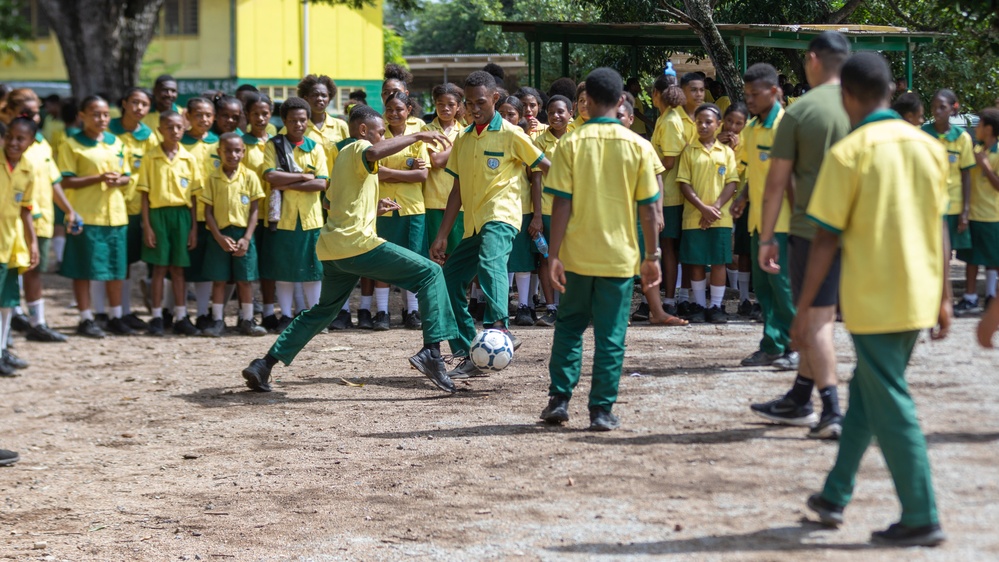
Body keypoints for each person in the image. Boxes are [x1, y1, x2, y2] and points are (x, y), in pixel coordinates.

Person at [800, 52, 950, 548]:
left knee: (890, 400)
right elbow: (940, 226)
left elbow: (825, 238)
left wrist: (803, 310)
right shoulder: (928, 146)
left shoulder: (851, 150)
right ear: (889, 90)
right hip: (919, 293)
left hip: (875, 298)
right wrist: (945, 296)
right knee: (869, 392)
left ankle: (922, 515)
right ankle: (833, 496)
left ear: (847, 96)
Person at [240, 105, 457, 393]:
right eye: (380, 132)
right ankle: (431, 352)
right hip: (356, 245)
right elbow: (373, 152)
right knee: (430, 273)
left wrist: (372, 208)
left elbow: (331, 202)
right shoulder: (358, 147)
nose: (382, 138)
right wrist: (417, 136)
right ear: (364, 130)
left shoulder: (344, 160)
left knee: (322, 311)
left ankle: (264, 364)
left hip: (333, 250)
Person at [538, 67, 662, 431]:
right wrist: (651, 257)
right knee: (611, 335)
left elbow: (560, 203)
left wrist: (554, 254)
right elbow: (651, 210)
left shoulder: (570, 144)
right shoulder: (639, 145)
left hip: (576, 257)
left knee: (569, 327)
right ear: (622, 100)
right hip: (620, 260)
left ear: (586, 103)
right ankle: (601, 411)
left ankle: (559, 400)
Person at [754, 31, 852, 439]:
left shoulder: (799, 112)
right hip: (859, 231)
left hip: (811, 231)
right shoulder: (862, 106)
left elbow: (776, 184)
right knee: (823, 316)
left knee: (816, 320)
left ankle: (830, 409)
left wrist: (766, 237)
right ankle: (799, 396)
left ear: (812, 60)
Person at [429, 71, 549, 379]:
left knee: (490, 260)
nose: (474, 108)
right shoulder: (464, 138)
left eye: (480, 101)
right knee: (448, 279)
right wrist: (442, 236)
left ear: (495, 98)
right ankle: (470, 351)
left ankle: (500, 327)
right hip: (473, 224)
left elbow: (543, 165)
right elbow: (456, 190)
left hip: (503, 215)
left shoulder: (511, 133)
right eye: (468, 103)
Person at [731, 63, 797, 370]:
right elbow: (750, 170)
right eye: (747, 94)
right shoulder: (752, 128)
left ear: (774, 91)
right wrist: (742, 199)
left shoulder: (788, 125)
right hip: (759, 221)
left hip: (784, 224)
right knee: (765, 288)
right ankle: (772, 344)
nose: (750, 100)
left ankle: (796, 346)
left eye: (755, 94)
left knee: (783, 288)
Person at [2, 89, 78, 343]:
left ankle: (37, 322)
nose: (34, 117)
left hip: (37, 218)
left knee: (33, 271)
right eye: (27, 112)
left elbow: (54, 179)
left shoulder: (40, 141)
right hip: (8, 223)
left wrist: (69, 210)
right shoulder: (8, 141)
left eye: (36, 113)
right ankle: (10, 326)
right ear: (8, 111)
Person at [57, 96, 132, 338]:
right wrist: (98, 179)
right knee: (83, 269)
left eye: (105, 114)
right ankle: (85, 317)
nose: (101, 119)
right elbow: (64, 180)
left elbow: (127, 175)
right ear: (82, 115)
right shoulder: (71, 144)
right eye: (95, 114)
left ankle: (115, 316)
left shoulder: (116, 142)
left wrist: (118, 180)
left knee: (116, 268)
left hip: (116, 215)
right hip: (86, 215)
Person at [259, 97, 328, 332]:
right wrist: (303, 177)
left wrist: (287, 182)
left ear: (307, 121)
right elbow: (270, 176)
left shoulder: (315, 147)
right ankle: (286, 316)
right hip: (283, 218)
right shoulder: (273, 145)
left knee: (313, 268)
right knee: (284, 268)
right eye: (292, 120)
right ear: (284, 121)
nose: (298, 124)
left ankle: (315, 317)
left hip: (310, 218)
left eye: (302, 120)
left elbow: (321, 184)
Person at [138, 111, 201, 337]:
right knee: (159, 268)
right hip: (158, 216)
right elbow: (144, 194)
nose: (174, 131)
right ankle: (156, 316)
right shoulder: (150, 157)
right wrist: (147, 226)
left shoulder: (189, 158)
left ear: (183, 129)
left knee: (178, 269)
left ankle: (181, 316)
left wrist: (194, 227)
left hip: (182, 216)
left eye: (178, 127)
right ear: (160, 130)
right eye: (169, 127)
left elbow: (193, 197)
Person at [677, 103, 740, 324]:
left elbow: (732, 182)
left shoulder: (726, 153)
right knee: (696, 262)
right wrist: (703, 209)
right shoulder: (689, 151)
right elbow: (684, 184)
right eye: (699, 122)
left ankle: (715, 305)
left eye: (708, 122)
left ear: (718, 124)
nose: (703, 126)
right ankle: (699, 305)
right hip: (694, 217)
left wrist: (714, 209)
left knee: (719, 261)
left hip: (720, 218)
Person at [373, 91, 430, 331]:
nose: (394, 113)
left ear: (409, 110)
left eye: (400, 109)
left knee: (413, 258)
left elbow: (423, 174)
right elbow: (374, 170)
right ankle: (383, 313)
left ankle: (413, 311)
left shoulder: (418, 138)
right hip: (383, 205)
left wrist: (390, 173)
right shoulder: (378, 136)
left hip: (412, 207)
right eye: (390, 109)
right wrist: (406, 174)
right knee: (382, 260)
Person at [200, 133, 267, 337]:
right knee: (219, 280)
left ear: (243, 152)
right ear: (219, 152)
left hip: (243, 235)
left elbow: (255, 210)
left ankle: (247, 320)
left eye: (237, 150)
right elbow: (208, 212)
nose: (232, 154)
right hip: (219, 235)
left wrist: (247, 238)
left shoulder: (250, 177)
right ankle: (218, 321)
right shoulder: (212, 178)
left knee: (245, 280)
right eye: (227, 150)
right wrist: (219, 236)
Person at [923, 90, 976, 314]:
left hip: (953, 207)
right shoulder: (923, 134)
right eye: (934, 107)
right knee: (930, 254)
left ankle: (944, 300)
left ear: (954, 108)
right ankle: (931, 299)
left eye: (942, 107)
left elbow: (966, 175)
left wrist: (965, 210)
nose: (937, 111)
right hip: (928, 207)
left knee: (948, 255)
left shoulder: (962, 138)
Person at [110, 86, 158, 332]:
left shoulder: (149, 136)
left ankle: (125, 310)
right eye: (135, 102)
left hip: (140, 207)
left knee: (129, 260)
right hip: (110, 206)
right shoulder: (109, 130)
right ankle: (108, 312)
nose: (139, 108)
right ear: (124, 103)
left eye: (144, 104)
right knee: (116, 261)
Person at [498, 96, 544, 328]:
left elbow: (536, 179)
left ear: (520, 117)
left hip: (522, 207)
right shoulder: (491, 138)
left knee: (523, 258)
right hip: (497, 208)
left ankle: (525, 306)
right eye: (502, 114)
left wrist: (537, 214)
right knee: (501, 258)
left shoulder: (525, 141)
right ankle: (501, 305)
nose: (506, 119)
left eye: (511, 114)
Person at [1, 117, 40, 374]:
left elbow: (26, 211)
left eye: (21, 139)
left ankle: (2, 350)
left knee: (6, 301)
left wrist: (32, 242)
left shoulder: (28, 169)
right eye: (10, 137)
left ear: (31, 142)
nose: (14, 143)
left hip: (9, 245)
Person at [649, 74, 689, 319]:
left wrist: (647, 171)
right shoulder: (665, 118)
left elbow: (670, 161)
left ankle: (671, 298)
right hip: (665, 191)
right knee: (666, 246)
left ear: (656, 93)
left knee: (668, 246)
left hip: (671, 194)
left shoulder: (671, 120)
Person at [532, 95, 572, 327]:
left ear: (570, 113)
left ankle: (570, 306)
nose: (556, 116)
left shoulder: (577, 138)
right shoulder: (539, 142)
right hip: (547, 209)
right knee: (545, 257)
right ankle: (551, 308)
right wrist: (537, 215)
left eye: (560, 112)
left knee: (571, 258)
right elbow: (535, 180)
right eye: (551, 112)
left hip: (573, 210)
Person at [179, 97, 219, 329]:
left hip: (213, 214)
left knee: (206, 268)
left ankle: (203, 313)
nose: (203, 119)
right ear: (188, 117)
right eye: (198, 115)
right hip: (185, 213)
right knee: (182, 265)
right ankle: (176, 312)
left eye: (208, 115)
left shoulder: (219, 144)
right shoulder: (180, 142)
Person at [957, 109, 999, 315]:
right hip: (973, 214)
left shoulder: (997, 153)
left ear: (988, 128)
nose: (975, 128)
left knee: (993, 259)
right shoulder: (977, 149)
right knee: (971, 258)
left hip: (992, 215)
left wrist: (985, 167)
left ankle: (990, 296)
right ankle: (970, 297)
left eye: (979, 125)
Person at [717, 102, 754, 317]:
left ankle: (743, 297)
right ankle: (717, 299)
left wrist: (733, 149)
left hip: (740, 203)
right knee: (723, 252)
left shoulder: (746, 143)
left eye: (738, 123)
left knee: (741, 252)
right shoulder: (712, 141)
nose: (732, 127)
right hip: (716, 202)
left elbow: (738, 171)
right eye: (729, 121)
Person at [293, 74, 350, 156]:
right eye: (315, 95)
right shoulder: (295, 127)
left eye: (324, 95)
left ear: (329, 99)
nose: (320, 98)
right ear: (306, 98)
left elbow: (349, 156)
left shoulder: (341, 126)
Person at [143, 75, 182, 142]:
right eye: (165, 90)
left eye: (173, 91)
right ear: (154, 91)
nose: (169, 94)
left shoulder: (183, 115)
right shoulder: (143, 114)